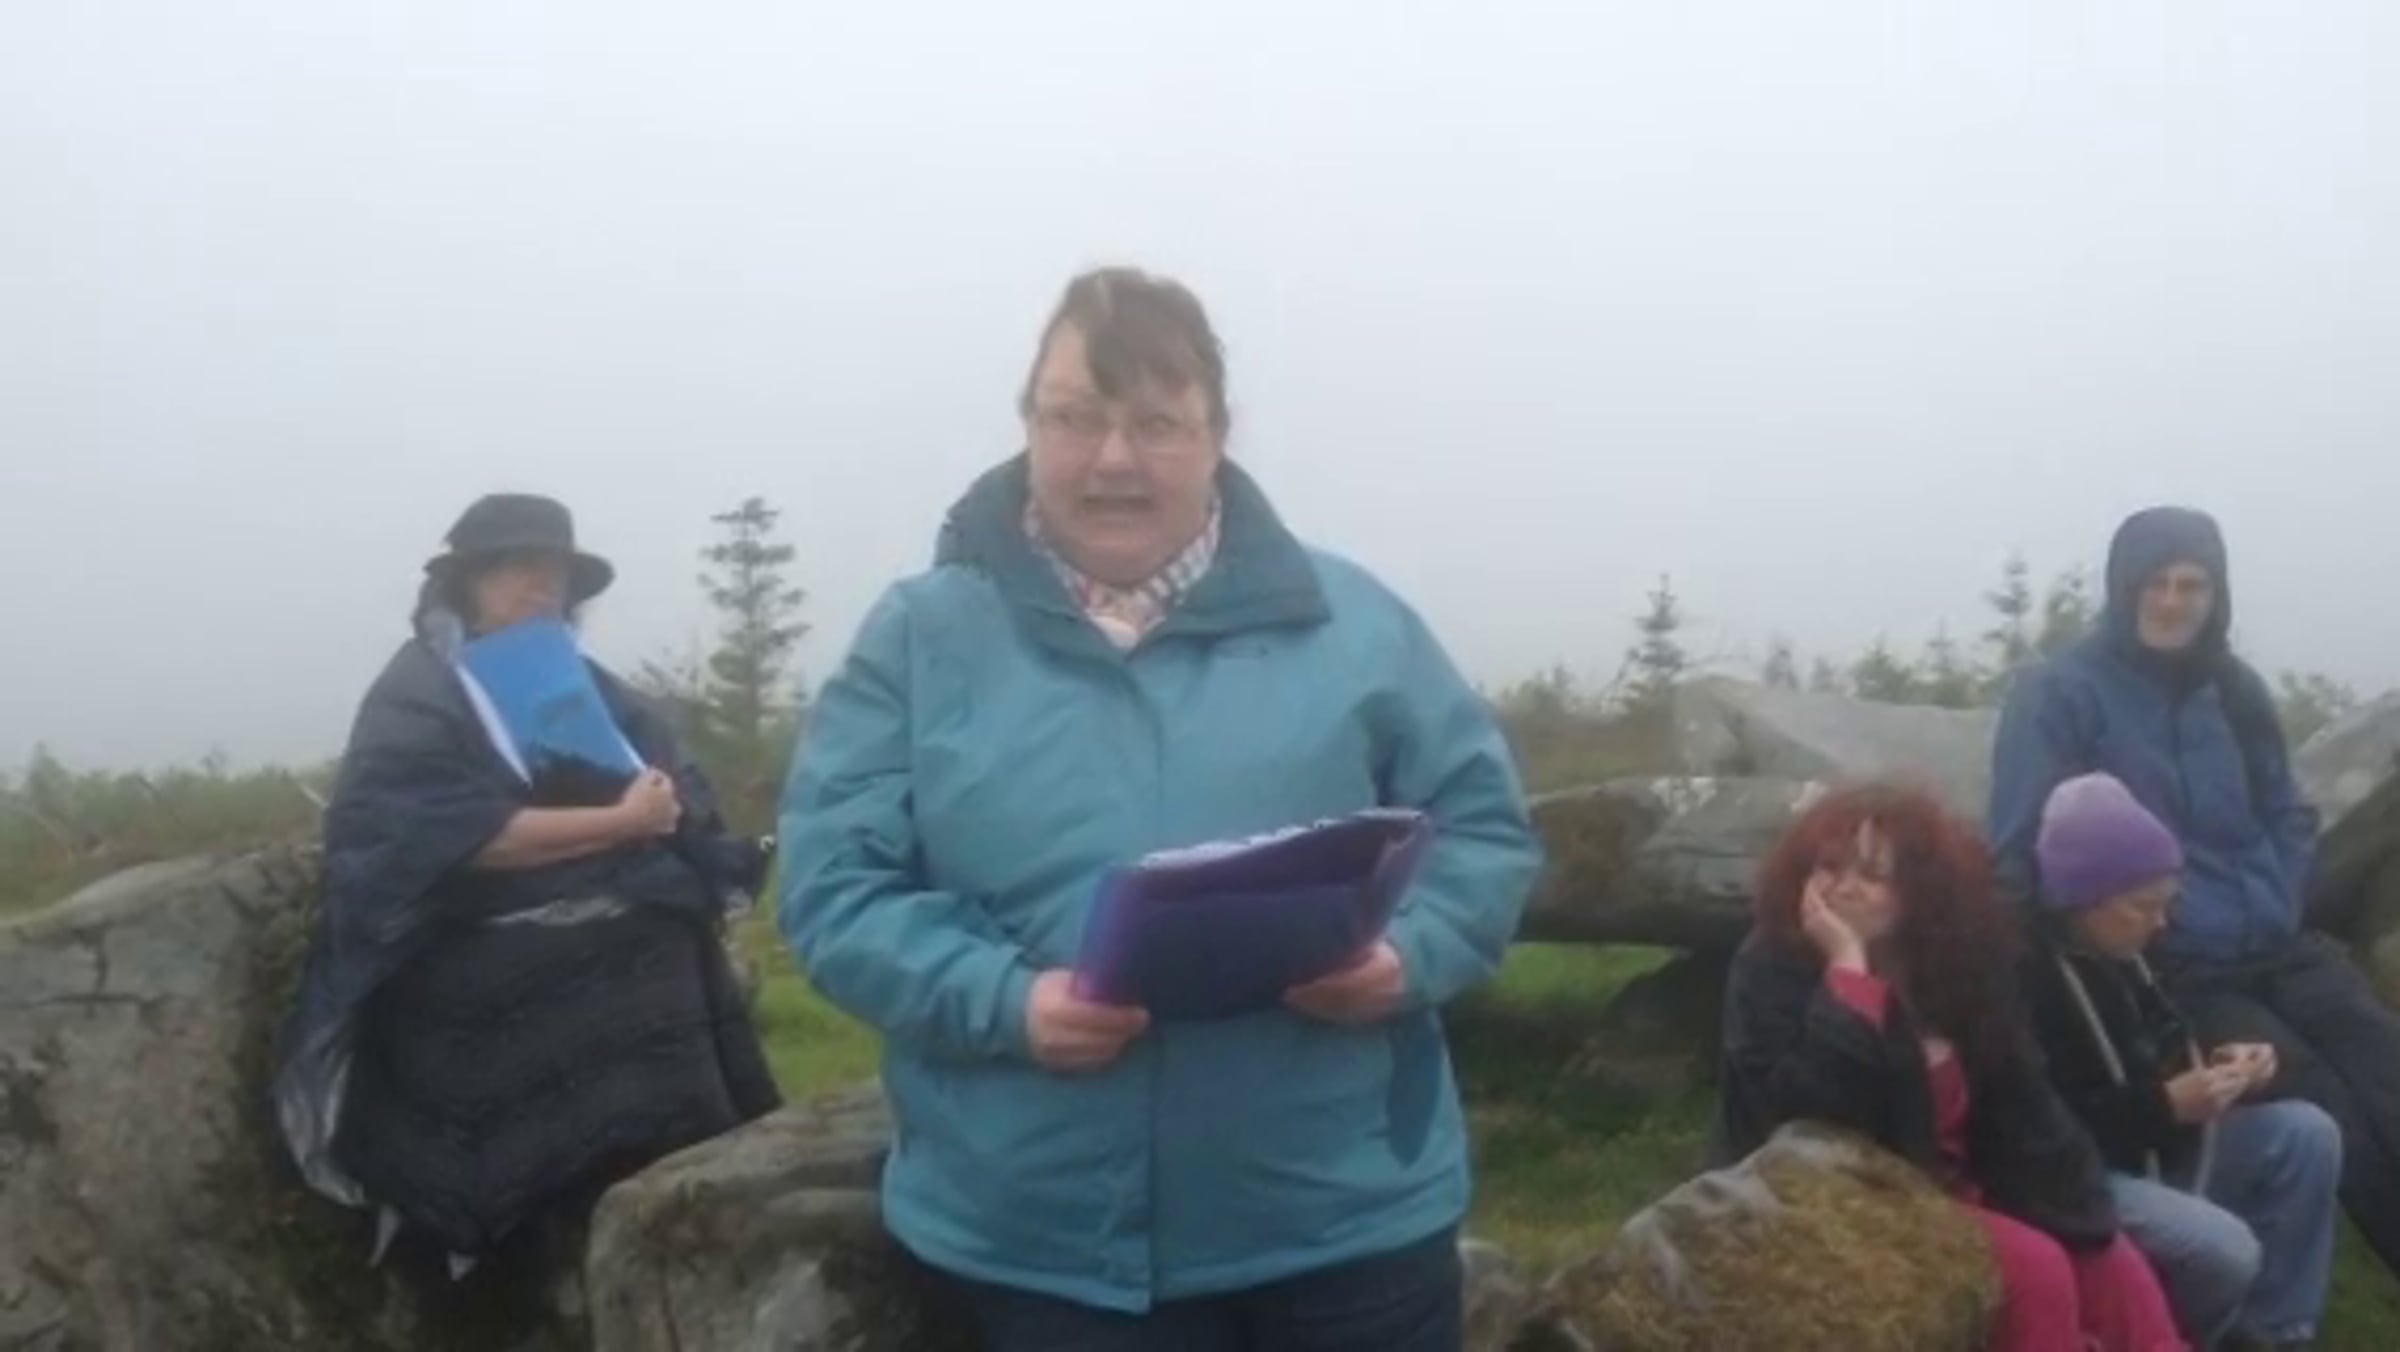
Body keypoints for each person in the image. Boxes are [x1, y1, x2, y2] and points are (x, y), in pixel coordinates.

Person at [777, 266, 1543, 1351]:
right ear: (1028, 425)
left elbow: (1483, 830)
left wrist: (1407, 955)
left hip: (1348, 1221)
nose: (1113, 458)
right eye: (1075, 417)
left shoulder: (1360, 625)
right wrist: (1007, 1002)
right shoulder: (918, 637)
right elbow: (836, 889)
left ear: (1218, 434)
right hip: (1043, 1250)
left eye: (1157, 423)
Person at [274, 493, 780, 1272]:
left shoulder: (588, 687)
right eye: (519, 567)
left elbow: (671, 781)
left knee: (666, 935)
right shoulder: (419, 693)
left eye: (554, 571)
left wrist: (663, 801)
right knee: (587, 967)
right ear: (469, 583)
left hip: (601, 908)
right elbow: (456, 839)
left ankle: (676, 1199)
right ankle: (536, 1217)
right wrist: (620, 821)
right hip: (455, 941)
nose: (543, 585)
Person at [1989, 506, 2400, 1281]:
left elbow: (2287, 810)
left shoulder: (2235, 691)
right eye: (2156, 583)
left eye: (2193, 585)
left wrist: (2280, 893)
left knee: (2384, 1060)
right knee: (2328, 1105)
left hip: (2278, 940)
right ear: (2123, 588)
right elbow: (2021, 840)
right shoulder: (2061, 693)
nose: (2173, 602)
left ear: (2217, 594)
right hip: (2174, 960)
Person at [1717, 783, 2187, 1352]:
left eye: (1872, 874)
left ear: (1922, 891)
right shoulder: (1772, 967)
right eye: (1829, 867)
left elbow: (2024, 1100)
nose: (1844, 887)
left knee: (2116, 1271)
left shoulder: (1959, 963)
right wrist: (1848, 974)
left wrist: (2077, 1211)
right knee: (2035, 1272)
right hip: (1850, 1199)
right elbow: (1809, 1122)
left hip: (1970, 1185)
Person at [2020, 772, 2338, 1350]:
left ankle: (2280, 1331)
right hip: (2082, 1178)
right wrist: (2164, 1106)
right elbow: (2039, 1127)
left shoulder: (2130, 950)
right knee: (2224, 1250)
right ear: (2084, 897)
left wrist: (2229, 1064)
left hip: (2158, 1146)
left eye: (2168, 903)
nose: (2161, 921)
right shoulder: (2023, 974)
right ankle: (2181, 1336)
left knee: (2307, 1135)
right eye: (2143, 906)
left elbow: (2168, 1039)